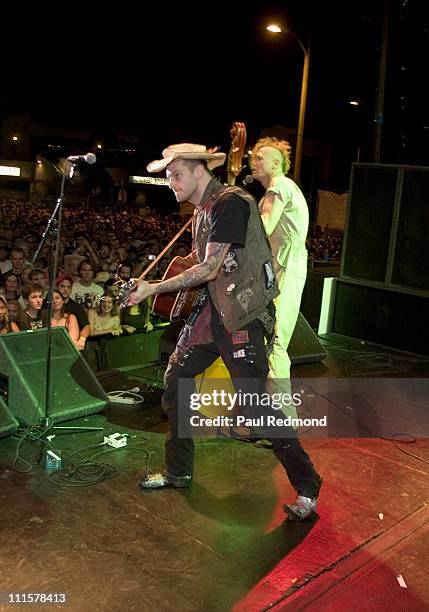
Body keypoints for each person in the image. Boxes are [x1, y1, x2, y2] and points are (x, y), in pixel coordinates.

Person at [129, 143, 322, 520]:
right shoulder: (202, 212)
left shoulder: (231, 202)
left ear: (200, 171)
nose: (170, 182)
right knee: (177, 378)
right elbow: (201, 266)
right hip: (213, 314)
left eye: (176, 174)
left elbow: (212, 268)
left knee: (256, 405)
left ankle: (307, 485)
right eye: (167, 176)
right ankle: (178, 470)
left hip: (244, 316)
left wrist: (153, 287)